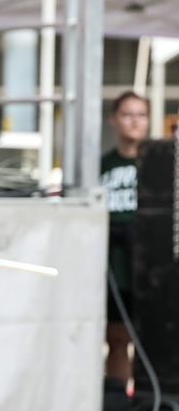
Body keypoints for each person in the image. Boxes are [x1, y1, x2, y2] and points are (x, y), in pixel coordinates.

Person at [99, 91, 149, 406]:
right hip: (114, 266)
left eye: (141, 114)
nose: (135, 121)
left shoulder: (158, 162)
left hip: (151, 264)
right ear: (114, 120)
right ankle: (118, 399)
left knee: (155, 338)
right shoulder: (101, 164)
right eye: (127, 114)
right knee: (117, 339)